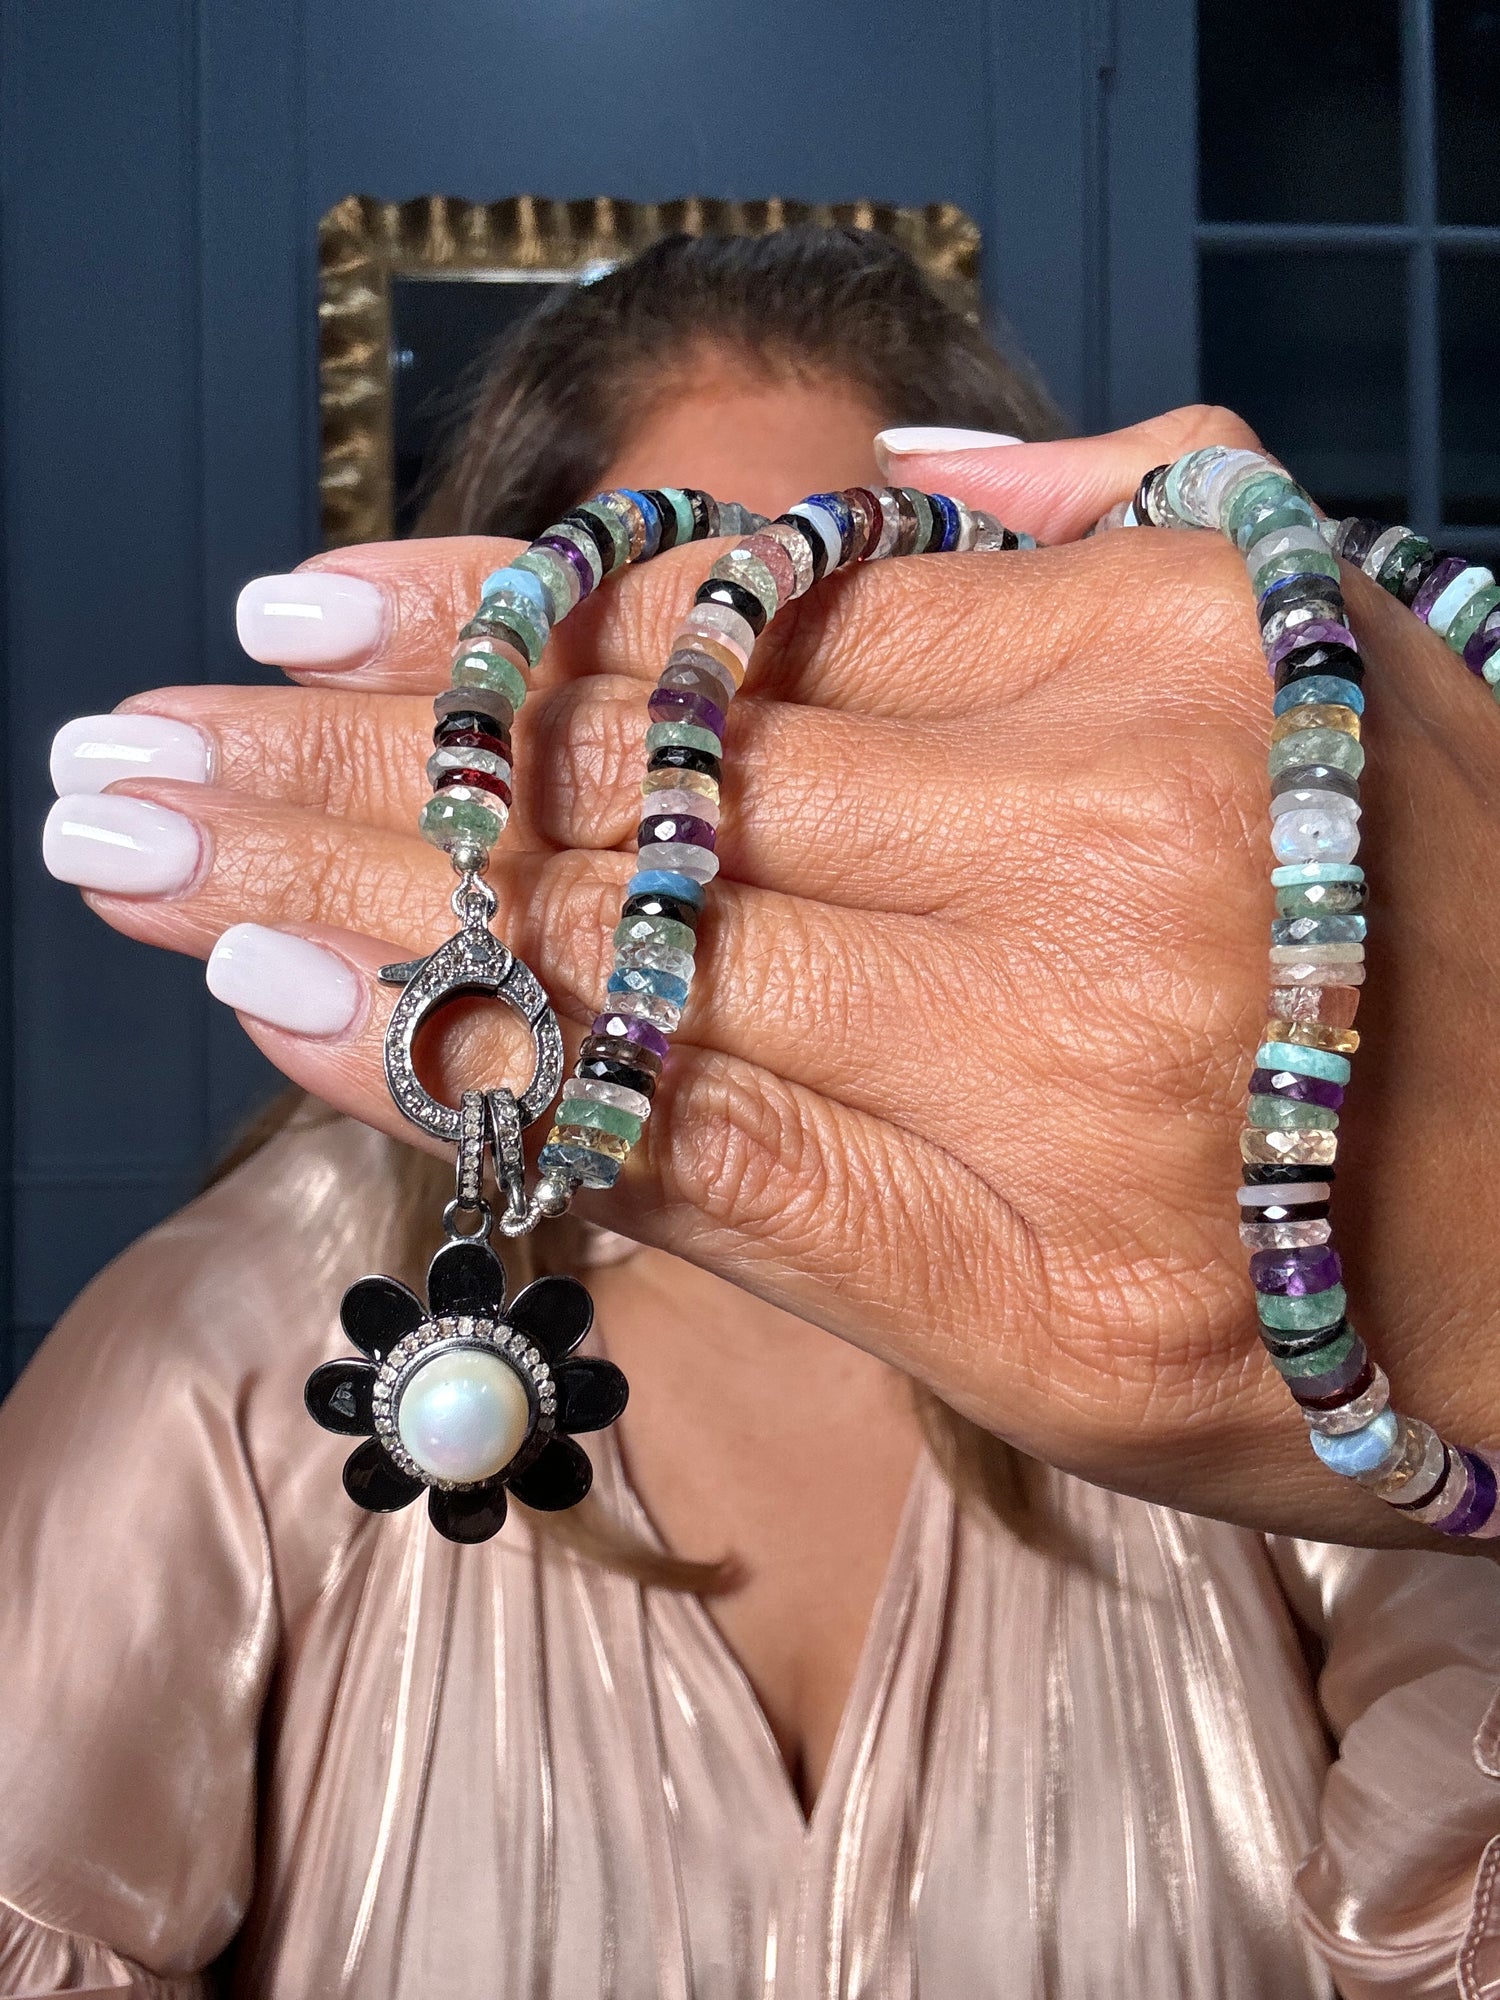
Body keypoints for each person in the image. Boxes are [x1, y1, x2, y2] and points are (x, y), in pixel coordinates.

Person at [8, 227, 1500, 1997]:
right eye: (662, 638)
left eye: (854, 646)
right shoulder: (225, 1354)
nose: (724, 762)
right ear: (502, 723)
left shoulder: (1290, 1319)